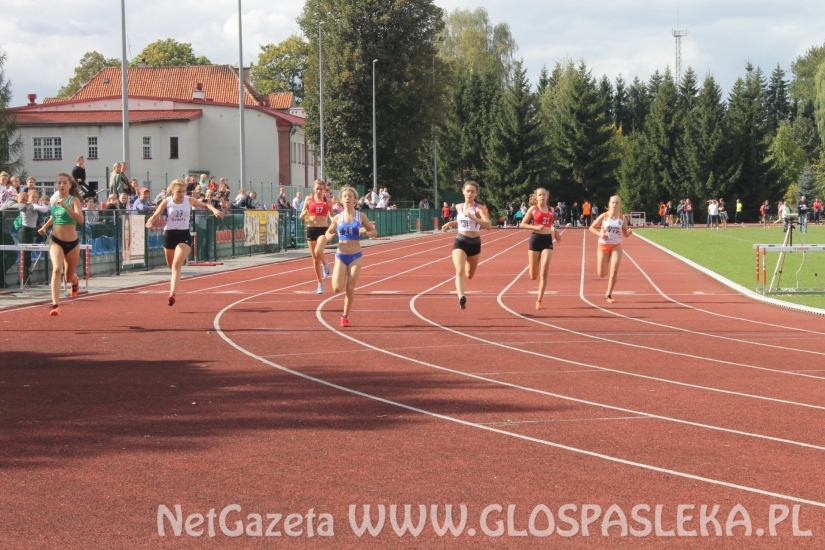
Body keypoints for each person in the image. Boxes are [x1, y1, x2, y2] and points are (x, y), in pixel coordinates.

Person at [144, 179, 224, 306]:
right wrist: (149, 222)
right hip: (169, 235)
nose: (181, 194)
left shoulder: (189, 200)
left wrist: (214, 210)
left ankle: (172, 294)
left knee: (176, 265)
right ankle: (173, 289)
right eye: (178, 192)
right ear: (172, 191)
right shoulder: (167, 201)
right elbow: (155, 216)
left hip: (183, 235)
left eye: (183, 191)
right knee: (171, 266)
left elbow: (205, 205)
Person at [323, 185, 377, 326]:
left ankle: (345, 316)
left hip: (356, 256)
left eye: (350, 196)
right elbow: (328, 232)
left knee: (350, 288)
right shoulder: (337, 218)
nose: (347, 198)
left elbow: (374, 233)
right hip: (341, 255)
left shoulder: (361, 216)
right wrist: (329, 236)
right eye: (345, 196)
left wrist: (365, 232)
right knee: (336, 288)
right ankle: (336, 280)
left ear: (354, 200)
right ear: (341, 199)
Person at [36, 173, 85, 314]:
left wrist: (65, 206)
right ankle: (55, 304)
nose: (61, 185)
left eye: (64, 183)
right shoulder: (54, 201)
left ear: (70, 185)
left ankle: (75, 282)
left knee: (68, 277)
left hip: (72, 243)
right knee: (57, 269)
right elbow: (54, 215)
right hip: (56, 240)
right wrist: (45, 227)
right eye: (59, 183)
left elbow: (80, 220)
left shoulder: (73, 200)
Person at [440, 181, 492, 309]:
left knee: (469, 274)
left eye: (473, 191)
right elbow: (461, 223)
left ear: (476, 193)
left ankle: (461, 293)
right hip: (461, 240)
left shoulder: (479, 208)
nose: (470, 193)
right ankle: (461, 296)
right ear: (463, 191)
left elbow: (488, 226)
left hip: (474, 243)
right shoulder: (458, 207)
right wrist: (449, 224)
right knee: (459, 270)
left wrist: (474, 217)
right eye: (468, 191)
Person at [519, 188, 561, 310]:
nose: (542, 197)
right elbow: (522, 224)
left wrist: (556, 231)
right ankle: (533, 270)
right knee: (533, 275)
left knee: (544, 271)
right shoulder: (533, 209)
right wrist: (535, 227)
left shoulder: (551, 209)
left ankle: (539, 300)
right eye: (540, 195)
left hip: (547, 240)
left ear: (547, 197)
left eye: (544, 195)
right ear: (536, 197)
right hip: (535, 239)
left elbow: (551, 224)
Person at [589, 195, 633, 303]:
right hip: (603, 245)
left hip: (616, 245)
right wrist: (600, 234)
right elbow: (591, 227)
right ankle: (605, 263)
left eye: (617, 203)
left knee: (614, 269)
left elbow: (625, 234)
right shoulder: (604, 216)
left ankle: (608, 295)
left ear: (620, 205)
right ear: (609, 204)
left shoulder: (622, 218)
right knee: (602, 273)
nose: (615, 205)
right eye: (613, 202)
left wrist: (628, 233)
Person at [300, 180, 333, 293]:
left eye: (321, 189)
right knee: (314, 259)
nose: (319, 191)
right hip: (311, 229)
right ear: (314, 189)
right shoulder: (309, 199)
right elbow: (301, 216)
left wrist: (336, 224)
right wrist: (303, 214)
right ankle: (320, 284)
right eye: (317, 189)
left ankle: (325, 263)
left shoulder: (328, 201)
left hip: (323, 229)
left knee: (319, 251)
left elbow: (332, 216)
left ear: (324, 190)